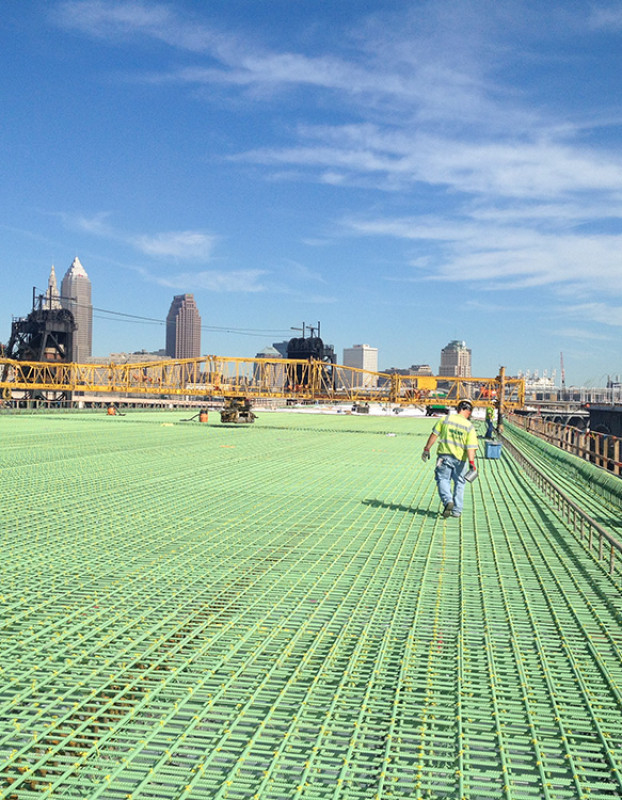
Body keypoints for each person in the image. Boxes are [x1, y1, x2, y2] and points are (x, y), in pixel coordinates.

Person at [421, 399, 478, 518]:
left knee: (443, 479)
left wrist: (427, 449)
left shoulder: (445, 419)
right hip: (460, 460)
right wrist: (472, 463)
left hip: (444, 456)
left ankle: (448, 501)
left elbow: (434, 435)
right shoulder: (469, 426)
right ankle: (457, 511)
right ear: (467, 411)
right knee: (460, 483)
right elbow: (471, 447)